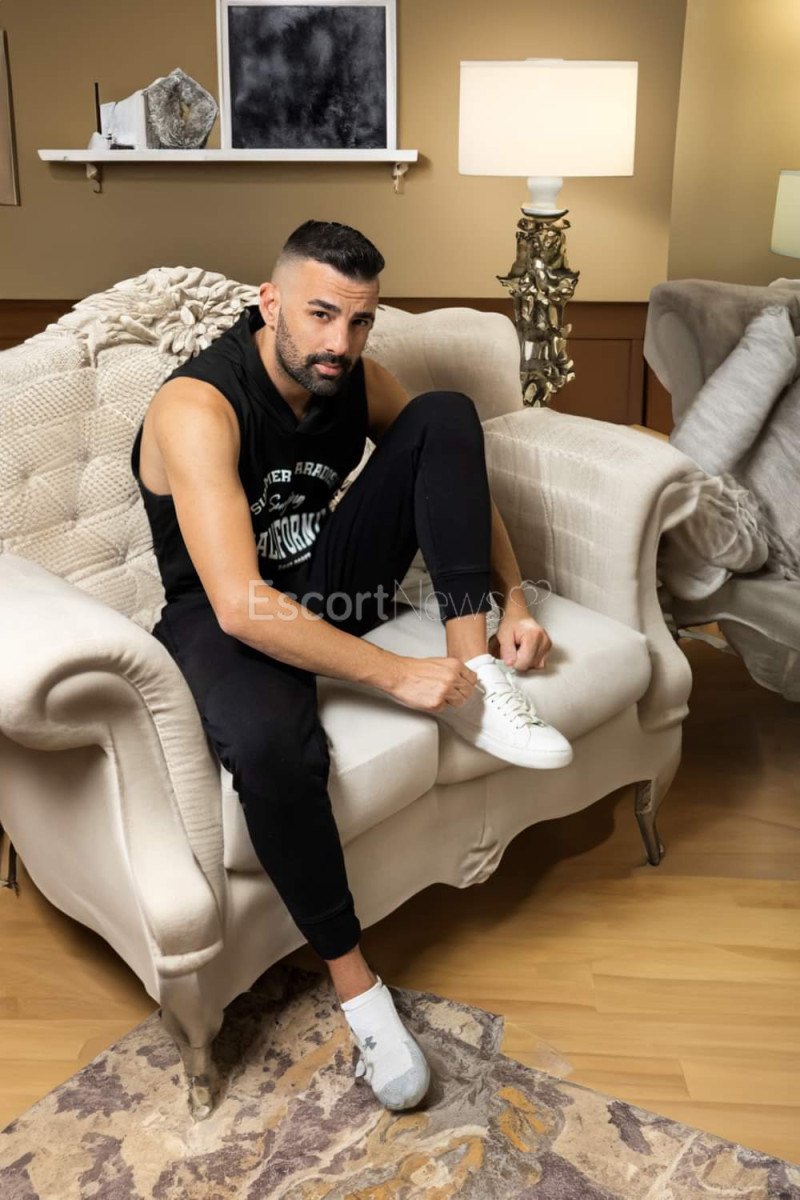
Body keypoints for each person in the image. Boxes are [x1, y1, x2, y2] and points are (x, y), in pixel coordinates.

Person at [130, 219, 572, 1112]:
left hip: (328, 582)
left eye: (360, 320)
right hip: (224, 613)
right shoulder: (197, 405)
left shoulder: (354, 378)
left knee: (443, 414)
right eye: (321, 314)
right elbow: (239, 604)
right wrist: (394, 674)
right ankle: (361, 996)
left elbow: (447, 468)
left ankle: (480, 677)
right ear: (271, 303)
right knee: (271, 750)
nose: (341, 342)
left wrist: (515, 600)